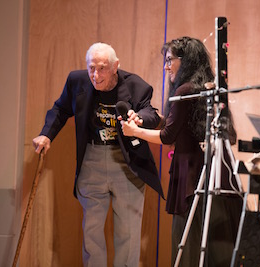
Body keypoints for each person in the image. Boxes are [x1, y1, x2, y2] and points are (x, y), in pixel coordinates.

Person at [32, 42, 164, 267]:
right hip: (92, 159)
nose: (95, 74)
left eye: (102, 68)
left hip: (126, 161)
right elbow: (60, 109)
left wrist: (139, 119)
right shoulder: (77, 81)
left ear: (115, 67)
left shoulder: (135, 85)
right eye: (91, 67)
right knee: (91, 231)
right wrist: (46, 135)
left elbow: (150, 112)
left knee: (129, 231)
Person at [120, 36, 242, 267]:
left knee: (188, 244)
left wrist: (133, 131)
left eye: (169, 60)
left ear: (185, 61)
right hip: (217, 172)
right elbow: (183, 127)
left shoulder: (185, 90)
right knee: (217, 247)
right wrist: (149, 122)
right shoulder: (209, 87)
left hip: (192, 174)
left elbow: (168, 136)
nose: (165, 66)